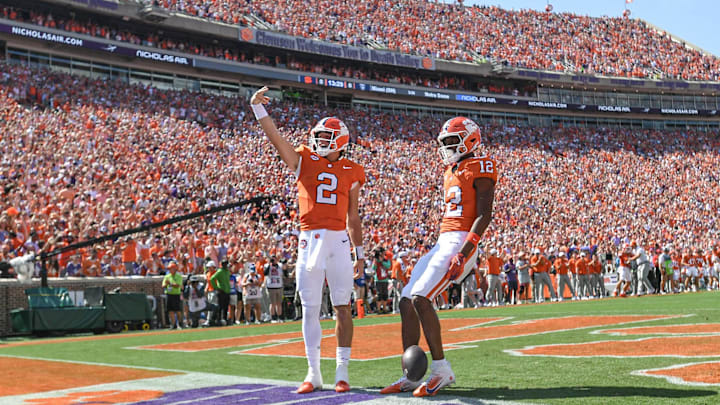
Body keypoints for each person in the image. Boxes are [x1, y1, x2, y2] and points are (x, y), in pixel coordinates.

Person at [251, 86, 365, 394]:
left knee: (342, 305)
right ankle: (313, 372)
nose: (319, 141)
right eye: (319, 136)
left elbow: (353, 216)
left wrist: (361, 253)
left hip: (339, 240)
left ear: (341, 141)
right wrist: (259, 109)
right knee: (310, 306)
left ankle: (342, 371)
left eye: (327, 138)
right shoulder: (303, 158)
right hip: (309, 239)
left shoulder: (354, 170)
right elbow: (277, 140)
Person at [382, 117, 496, 397]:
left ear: (470, 141)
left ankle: (442, 369)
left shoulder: (481, 166)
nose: (446, 146)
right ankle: (411, 375)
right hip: (442, 241)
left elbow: (484, 215)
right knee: (406, 301)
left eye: (451, 141)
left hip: (459, 242)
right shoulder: (451, 170)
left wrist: (465, 252)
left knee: (421, 297)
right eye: (444, 142)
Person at [162, 261, 184, 329]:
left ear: (175, 269)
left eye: (171, 268)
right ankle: (173, 324)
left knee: (177, 310)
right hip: (169, 294)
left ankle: (180, 323)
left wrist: (170, 283)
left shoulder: (178, 276)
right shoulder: (167, 276)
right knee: (170, 310)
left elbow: (178, 285)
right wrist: (166, 284)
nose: (170, 270)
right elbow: (163, 285)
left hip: (176, 295)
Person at [264, 256, 285, 323]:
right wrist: (270, 265)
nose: (273, 260)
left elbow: (284, 272)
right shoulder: (267, 265)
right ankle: (273, 318)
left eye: (274, 259)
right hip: (271, 287)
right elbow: (265, 273)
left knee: (279, 303)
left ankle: (280, 317)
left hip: (279, 286)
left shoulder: (280, 266)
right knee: (272, 303)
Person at [211, 260, 231, 325]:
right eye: (225, 264)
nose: (226, 265)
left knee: (226, 307)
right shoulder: (220, 271)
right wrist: (216, 287)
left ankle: (225, 319)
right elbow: (212, 278)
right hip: (222, 291)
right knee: (220, 307)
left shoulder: (227, 271)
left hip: (227, 291)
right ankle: (218, 320)